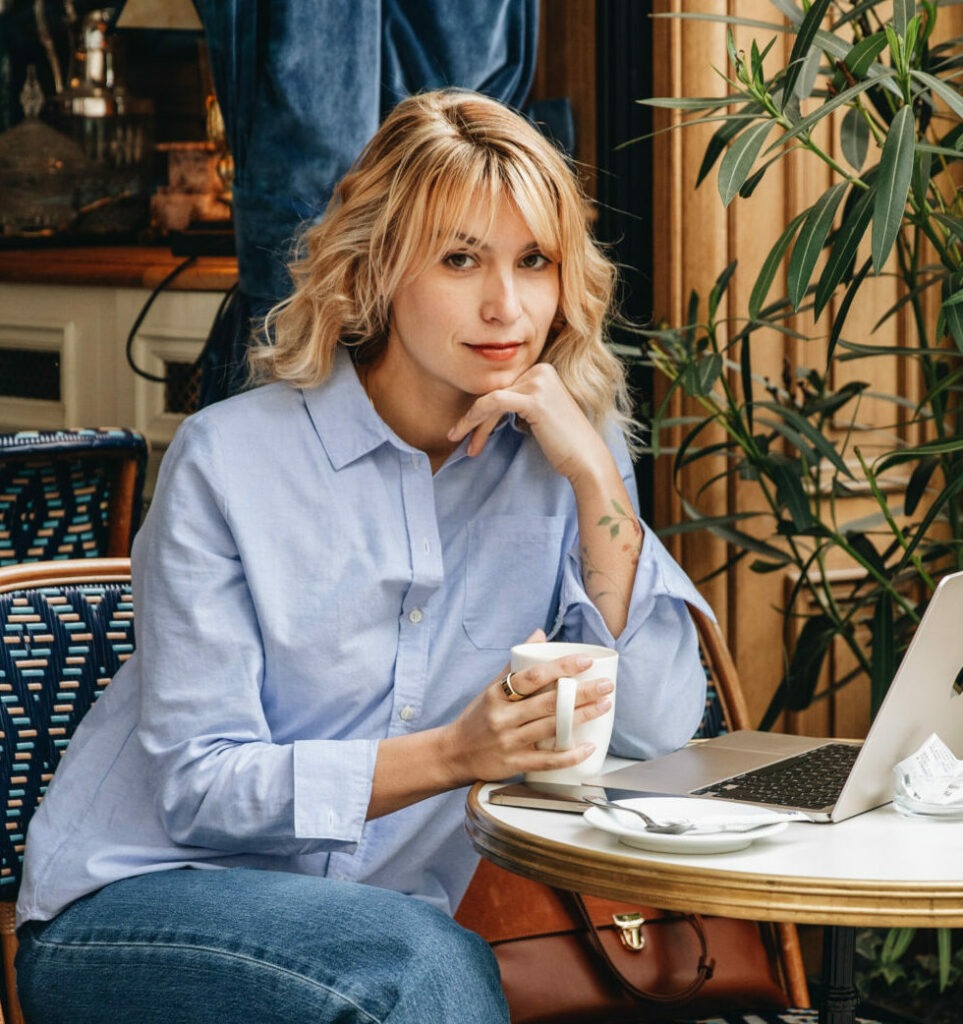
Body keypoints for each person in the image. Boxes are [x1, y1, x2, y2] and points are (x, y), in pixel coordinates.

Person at [14, 89, 711, 1023]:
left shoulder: (558, 463)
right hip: (139, 908)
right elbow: (199, 789)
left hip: (378, 930)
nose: (506, 304)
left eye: (534, 261)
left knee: (413, 963)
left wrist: (598, 487)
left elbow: (658, 730)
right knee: (416, 969)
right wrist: (453, 754)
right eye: (460, 259)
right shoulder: (229, 460)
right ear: (376, 269)